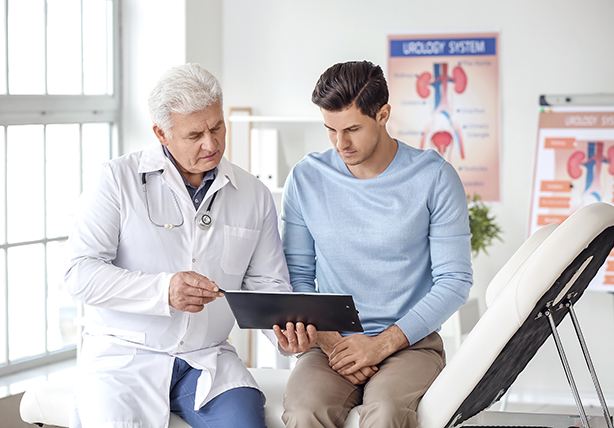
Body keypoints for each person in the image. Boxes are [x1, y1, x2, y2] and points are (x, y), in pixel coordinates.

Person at [65, 63, 317, 428]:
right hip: (126, 357)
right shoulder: (117, 181)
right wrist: (163, 290)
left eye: (217, 127)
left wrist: (284, 336)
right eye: (195, 134)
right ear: (161, 134)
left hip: (207, 359)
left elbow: (268, 286)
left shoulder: (253, 195)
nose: (211, 144)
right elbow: (79, 273)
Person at [280, 60, 474, 428]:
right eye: (330, 130)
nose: (341, 143)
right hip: (332, 342)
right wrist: (329, 341)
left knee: (385, 413)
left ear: (383, 114)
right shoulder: (306, 178)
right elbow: (299, 276)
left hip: (411, 343)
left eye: (352, 129)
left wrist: (382, 344)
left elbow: (455, 281)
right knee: (305, 413)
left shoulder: (434, 177)